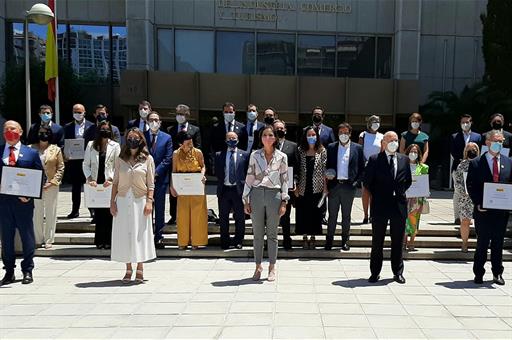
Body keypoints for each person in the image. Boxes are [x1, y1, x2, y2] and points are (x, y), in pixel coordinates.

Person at [364, 131, 412, 284]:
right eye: (391, 140)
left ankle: (397, 272)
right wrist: (379, 194)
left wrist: (400, 192)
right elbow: (367, 182)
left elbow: (408, 180)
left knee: (397, 241)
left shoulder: (404, 159)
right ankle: (374, 272)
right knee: (377, 241)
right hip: (380, 205)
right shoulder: (374, 159)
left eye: (396, 140)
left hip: (398, 205)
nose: (394, 143)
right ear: (383, 143)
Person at [110, 128, 156, 284]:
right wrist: (112, 202)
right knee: (125, 233)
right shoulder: (120, 158)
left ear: (141, 140)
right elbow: (115, 182)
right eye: (130, 137)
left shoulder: (147, 159)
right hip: (123, 199)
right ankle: (128, 267)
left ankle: (140, 267)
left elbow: (151, 183)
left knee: (139, 233)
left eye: (135, 138)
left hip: (140, 200)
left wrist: (149, 201)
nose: (132, 140)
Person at [243, 126, 289, 281]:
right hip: (256, 194)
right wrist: (245, 199)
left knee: (272, 234)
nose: (267, 137)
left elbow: (284, 179)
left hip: (273, 195)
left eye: (270, 135)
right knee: (257, 234)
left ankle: (272, 266)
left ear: (275, 138)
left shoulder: (282, 156)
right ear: (260, 137)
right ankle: (257, 266)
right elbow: (249, 176)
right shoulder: (255, 155)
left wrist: (284, 200)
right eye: (264, 135)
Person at [0, 120, 43, 285]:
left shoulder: (31, 153)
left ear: (20, 131)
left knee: (27, 236)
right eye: (6, 129)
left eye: (12, 129)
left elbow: (40, 176)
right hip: (4, 203)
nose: (9, 131)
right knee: (6, 238)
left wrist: (30, 195)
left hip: (23, 203)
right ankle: (8, 271)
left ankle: (27, 270)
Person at [467, 130, 511, 285]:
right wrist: (478, 202)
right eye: (495, 140)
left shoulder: (508, 161)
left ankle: (497, 272)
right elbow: (470, 185)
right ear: (487, 142)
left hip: (501, 211)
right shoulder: (477, 162)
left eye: (501, 141)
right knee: (482, 243)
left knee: (498, 243)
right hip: (483, 210)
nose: (498, 143)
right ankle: (478, 272)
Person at [325, 123, 364, 251]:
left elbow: (362, 168)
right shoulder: (331, 147)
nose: (343, 135)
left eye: (346, 132)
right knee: (332, 216)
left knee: (346, 216)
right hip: (334, 186)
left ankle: (345, 241)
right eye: (341, 132)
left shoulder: (357, 148)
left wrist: (356, 183)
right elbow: (326, 165)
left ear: (350, 133)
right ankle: (329, 241)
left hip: (349, 187)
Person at [82, 121, 121, 249]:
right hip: (95, 182)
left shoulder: (115, 145)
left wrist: (111, 178)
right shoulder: (91, 145)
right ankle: (99, 241)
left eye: (107, 129)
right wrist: (89, 178)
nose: (105, 131)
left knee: (109, 212)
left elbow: (118, 165)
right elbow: (85, 164)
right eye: (102, 129)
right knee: (98, 213)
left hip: (108, 183)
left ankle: (109, 241)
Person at [170, 132, 208, 250]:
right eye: (187, 144)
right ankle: (183, 242)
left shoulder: (198, 152)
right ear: (181, 144)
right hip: (182, 185)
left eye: (191, 143)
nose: (190, 145)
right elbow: (173, 171)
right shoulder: (176, 154)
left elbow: (203, 166)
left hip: (196, 183)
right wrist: (172, 186)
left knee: (198, 214)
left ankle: (196, 241)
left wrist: (202, 175)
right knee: (182, 215)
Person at [167, 104, 201, 225]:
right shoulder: (170, 129)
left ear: (187, 115)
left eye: (182, 114)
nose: (179, 116)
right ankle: (173, 216)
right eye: (177, 113)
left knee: (189, 191)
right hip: (176, 165)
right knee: (174, 191)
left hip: (191, 167)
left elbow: (198, 146)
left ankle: (190, 214)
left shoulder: (194, 129)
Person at [31, 126, 65, 249]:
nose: (43, 135)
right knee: (37, 212)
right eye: (41, 133)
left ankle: (49, 239)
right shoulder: (30, 148)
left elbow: (61, 167)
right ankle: (38, 239)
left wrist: (53, 182)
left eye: (46, 133)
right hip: (35, 185)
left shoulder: (55, 149)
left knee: (51, 212)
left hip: (51, 185)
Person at [215, 131, 250, 249]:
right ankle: (224, 241)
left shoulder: (244, 155)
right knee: (223, 217)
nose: (232, 140)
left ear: (238, 140)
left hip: (238, 190)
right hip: (224, 189)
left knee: (240, 217)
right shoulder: (219, 154)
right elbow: (217, 171)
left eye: (234, 138)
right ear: (225, 140)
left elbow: (247, 172)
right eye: (229, 138)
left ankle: (238, 240)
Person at [295, 126, 327, 249]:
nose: (311, 137)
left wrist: (325, 188)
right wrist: (296, 187)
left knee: (315, 212)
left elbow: (324, 170)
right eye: (309, 135)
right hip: (303, 186)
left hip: (317, 187)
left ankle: (313, 236)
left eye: (314, 135)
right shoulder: (300, 150)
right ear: (305, 136)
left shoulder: (322, 150)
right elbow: (297, 169)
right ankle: (304, 236)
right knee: (303, 212)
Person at [144, 112, 173, 249]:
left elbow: (168, 159)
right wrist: (147, 173)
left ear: (160, 122)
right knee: (146, 208)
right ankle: (147, 236)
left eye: (156, 120)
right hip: (143, 179)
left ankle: (159, 236)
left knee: (160, 209)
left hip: (160, 179)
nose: (153, 122)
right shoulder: (142, 137)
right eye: (151, 120)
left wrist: (155, 173)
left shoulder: (166, 138)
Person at [63, 104, 94, 219]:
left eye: (79, 112)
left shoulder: (92, 126)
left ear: (84, 112)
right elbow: (64, 142)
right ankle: (75, 210)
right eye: (75, 111)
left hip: (88, 160)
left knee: (89, 186)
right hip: (74, 161)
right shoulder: (67, 127)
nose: (77, 114)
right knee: (75, 187)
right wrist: (65, 153)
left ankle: (92, 210)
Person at [450, 114, 482, 224]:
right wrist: (463, 160)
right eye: (463, 122)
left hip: (473, 167)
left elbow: (479, 151)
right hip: (458, 167)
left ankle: (469, 216)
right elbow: (453, 151)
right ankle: (457, 216)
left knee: (472, 191)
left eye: (467, 122)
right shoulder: (455, 136)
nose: (465, 124)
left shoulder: (477, 136)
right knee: (458, 192)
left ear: (471, 122)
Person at [274, 120, 299, 250]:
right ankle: (271, 241)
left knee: (286, 215)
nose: (279, 130)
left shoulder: (293, 146)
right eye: (276, 128)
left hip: (286, 185)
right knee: (271, 216)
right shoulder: (268, 145)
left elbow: (296, 166)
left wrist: (294, 180)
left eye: (281, 128)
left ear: (285, 130)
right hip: (271, 186)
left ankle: (286, 239)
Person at [453, 143, 480, 252]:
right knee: (465, 221)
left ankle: (481, 244)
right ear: (465, 151)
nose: (472, 151)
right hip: (465, 197)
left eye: (474, 149)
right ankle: (464, 243)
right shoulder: (461, 165)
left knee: (480, 222)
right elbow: (457, 182)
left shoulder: (482, 163)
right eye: (469, 149)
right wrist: (464, 192)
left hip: (479, 197)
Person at [358, 115, 384, 224]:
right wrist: (364, 162)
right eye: (373, 121)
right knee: (365, 192)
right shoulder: (363, 135)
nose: (376, 123)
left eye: (377, 122)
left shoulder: (382, 136)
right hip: (366, 166)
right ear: (369, 123)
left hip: (377, 167)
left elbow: (382, 152)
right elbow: (359, 150)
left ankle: (373, 214)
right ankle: (365, 215)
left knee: (375, 193)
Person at [404, 144, 429, 251]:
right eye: (411, 151)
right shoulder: (402, 165)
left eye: (415, 152)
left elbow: (424, 185)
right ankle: (403, 241)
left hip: (417, 199)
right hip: (404, 197)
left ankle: (412, 241)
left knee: (414, 220)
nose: (413, 154)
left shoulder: (423, 168)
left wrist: (423, 201)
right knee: (404, 220)